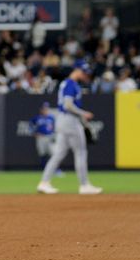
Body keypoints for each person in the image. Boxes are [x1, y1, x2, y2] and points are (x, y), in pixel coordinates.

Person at [37, 60, 103, 195]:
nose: (85, 75)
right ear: (77, 70)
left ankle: (44, 183)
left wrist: (84, 121)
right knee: (81, 152)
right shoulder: (71, 84)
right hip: (69, 120)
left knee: (59, 154)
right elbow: (68, 105)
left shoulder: (67, 83)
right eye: (84, 71)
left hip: (63, 120)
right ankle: (84, 185)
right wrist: (84, 114)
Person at [30, 101, 56, 169]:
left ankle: (55, 169)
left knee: (53, 153)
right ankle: (44, 168)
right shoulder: (37, 118)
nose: (45, 110)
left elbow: (54, 127)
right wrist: (34, 133)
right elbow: (30, 125)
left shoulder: (51, 118)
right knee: (42, 153)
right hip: (41, 137)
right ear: (41, 110)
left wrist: (53, 134)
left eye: (47, 109)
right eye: (44, 109)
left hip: (49, 137)